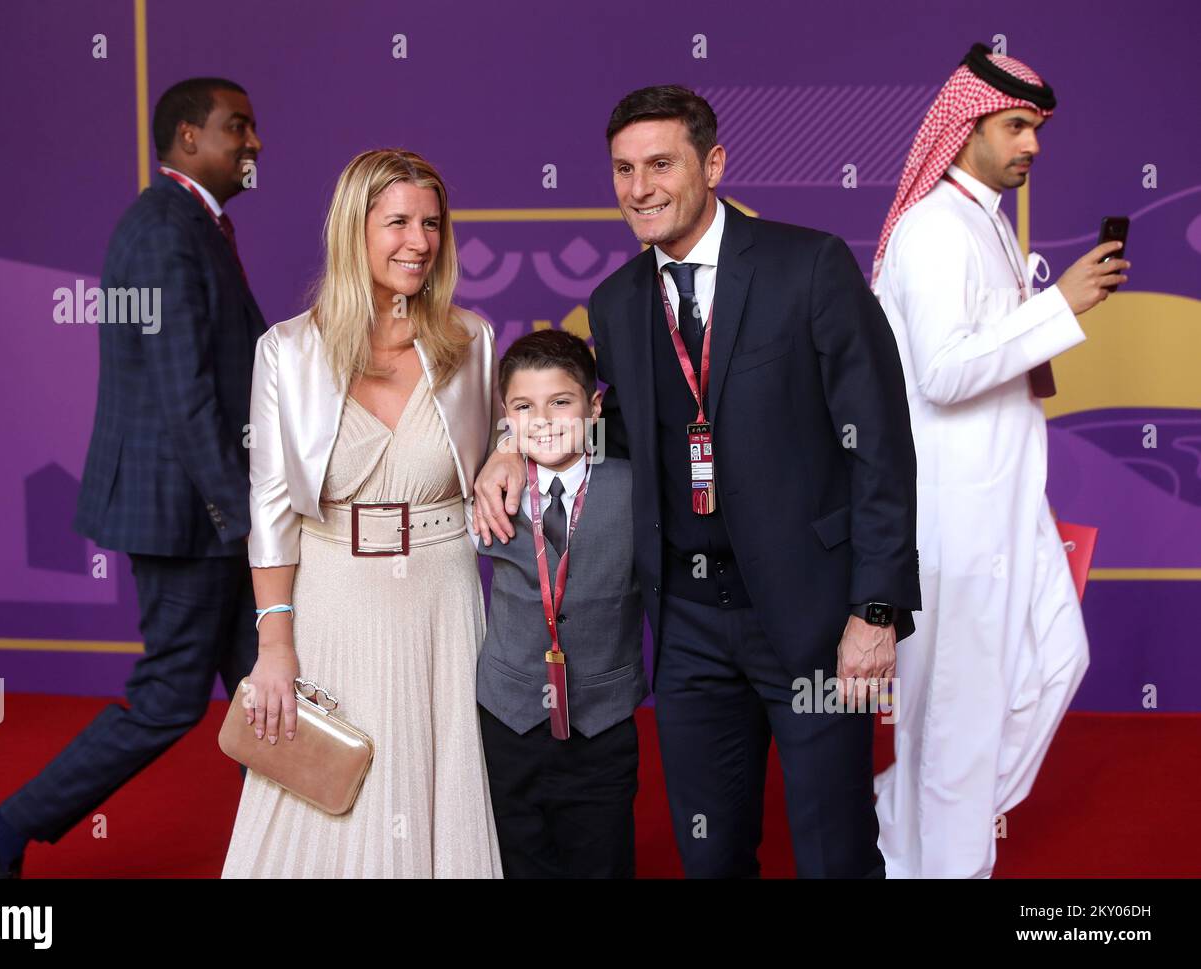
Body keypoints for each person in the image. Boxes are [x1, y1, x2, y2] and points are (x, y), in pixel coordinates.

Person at [475, 85, 920, 878]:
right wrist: (512, 443)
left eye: (659, 164)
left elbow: (880, 446)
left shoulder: (807, 264)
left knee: (835, 851)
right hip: (687, 631)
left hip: (816, 620)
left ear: (712, 163)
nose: (638, 187)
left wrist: (875, 609)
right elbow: (614, 430)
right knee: (709, 857)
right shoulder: (614, 303)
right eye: (621, 169)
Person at [0, 78, 265, 879]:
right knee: (169, 698)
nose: (255, 144)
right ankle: (4, 827)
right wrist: (243, 511)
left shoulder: (192, 225)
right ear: (188, 137)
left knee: (269, 696)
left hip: (205, 509)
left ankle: (290, 854)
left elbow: (238, 364)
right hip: (186, 513)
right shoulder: (164, 230)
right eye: (239, 129)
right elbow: (181, 388)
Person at [871, 43, 1121, 878]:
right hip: (953, 513)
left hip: (1011, 504)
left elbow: (994, 357)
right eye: (1017, 126)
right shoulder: (934, 227)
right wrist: (1060, 305)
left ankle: (898, 813)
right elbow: (943, 373)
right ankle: (931, 855)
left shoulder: (984, 219)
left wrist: (1048, 311)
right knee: (958, 716)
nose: (1032, 146)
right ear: (966, 123)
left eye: (1037, 129)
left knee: (1055, 661)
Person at [222, 149, 503, 878]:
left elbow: (503, 445)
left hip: (443, 602)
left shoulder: (472, 341)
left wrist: (508, 450)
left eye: (432, 224)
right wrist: (275, 645)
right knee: (327, 799)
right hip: (333, 602)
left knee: (441, 791)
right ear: (355, 229)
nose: (420, 241)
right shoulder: (287, 351)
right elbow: (272, 507)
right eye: (399, 222)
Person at [476, 329, 648, 878]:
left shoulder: (637, 490)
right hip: (509, 719)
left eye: (561, 402)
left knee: (602, 860)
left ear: (594, 406)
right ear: (506, 416)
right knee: (518, 860)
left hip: (603, 722)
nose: (544, 419)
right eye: (524, 407)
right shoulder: (490, 491)